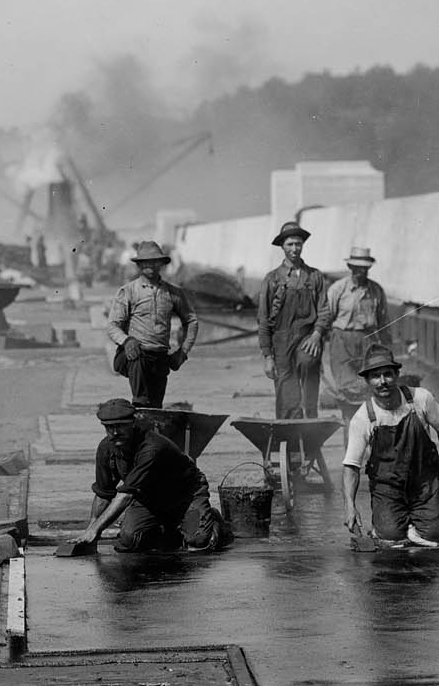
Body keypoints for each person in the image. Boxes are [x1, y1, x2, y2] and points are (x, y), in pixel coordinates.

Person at [340, 346, 439, 548]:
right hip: (388, 488)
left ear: (397, 374)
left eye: (387, 374)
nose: (382, 382)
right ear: (367, 381)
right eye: (375, 376)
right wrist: (349, 506)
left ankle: (417, 522)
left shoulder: (421, 399)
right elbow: (351, 466)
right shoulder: (363, 418)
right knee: (390, 536)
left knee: (433, 536)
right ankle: (390, 526)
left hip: (425, 482)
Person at [75, 399, 229, 553]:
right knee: (130, 541)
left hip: (185, 494)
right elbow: (103, 494)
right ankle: (171, 528)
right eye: (110, 427)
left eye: (121, 426)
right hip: (148, 497)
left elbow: (126, 495)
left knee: (198, 541)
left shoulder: (151, 448)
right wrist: (91, 531)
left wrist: (96, 529)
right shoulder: (106, 448)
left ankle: (213, 520)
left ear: (133, 423)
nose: (115, 432)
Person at [257, 220, 331, 478]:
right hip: (280, 343)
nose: (295, 248)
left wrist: (318, 333)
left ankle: (309, 444)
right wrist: (267, 357)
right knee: (287, 396)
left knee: (309, 375)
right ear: (282, 246)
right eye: (290, 243)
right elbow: (263, 320)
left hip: (307, 338)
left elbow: (324, 310)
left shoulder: (315, 276)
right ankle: (290, 453)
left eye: (298, 243)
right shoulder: (272, 279)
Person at [105, 240, 198, 408]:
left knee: (155, 407)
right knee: (142, 403)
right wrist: (127, 341)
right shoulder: (128, 291)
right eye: (145, 262)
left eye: (154, 261)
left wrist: (183, 351)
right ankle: (139, 405)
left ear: (161, 264)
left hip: (160, 357)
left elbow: (191, 320)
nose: (149, 265)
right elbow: (112, 326)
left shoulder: (173, 293)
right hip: (134, 356)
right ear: (139, 265)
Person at [312, 244, 390, 414]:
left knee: (370, 389)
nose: (361, 271)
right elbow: (325, 319)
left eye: (365, 268)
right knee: (346, 391)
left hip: (368, 342)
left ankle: (368, 436)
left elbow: (384, 324)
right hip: (342, 341)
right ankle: (349, 436)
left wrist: (387, 353)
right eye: (357, 268)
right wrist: (317, 345)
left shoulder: (376, 290)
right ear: (350, 267)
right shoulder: (338, 289)